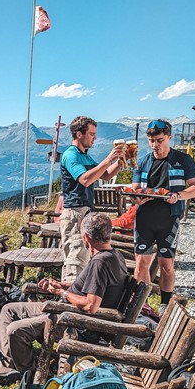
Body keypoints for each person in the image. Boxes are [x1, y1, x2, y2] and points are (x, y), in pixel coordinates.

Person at [0, 213, 128, 381]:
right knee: (9, 310)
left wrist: (62, 293)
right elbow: (91, 287)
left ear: (86, 237)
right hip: (66, 309)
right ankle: (5, 367)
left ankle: (26, 375)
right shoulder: (114, 255)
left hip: (74, 322)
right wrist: (61, 285)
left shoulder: (100, 262)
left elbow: (91, 305)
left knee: (16, 331)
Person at [131, 119, 195, 311]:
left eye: (160, 140)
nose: (155, 145)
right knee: (141, 262)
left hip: (169, 219)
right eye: (151, 140)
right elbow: (135, 189)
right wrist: (136, 197)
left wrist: (179, 196)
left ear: (169, 138)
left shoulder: (183, 160)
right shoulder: (143, 161)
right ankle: (142, 306)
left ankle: (164, 304)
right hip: (144, 218)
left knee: (166, 264)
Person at [59, 116, 124, 281]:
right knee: (75, 260)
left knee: (84, 259)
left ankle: (76, 298)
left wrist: (122, 161)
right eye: (91, 134)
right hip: (75, 212)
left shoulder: (86, 157)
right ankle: (67, 300)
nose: (95, 138)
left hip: (85, 212)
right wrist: (109, 158)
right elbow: (85, 179)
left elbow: (106, 175)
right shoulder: (70, 155)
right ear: (79, 134)